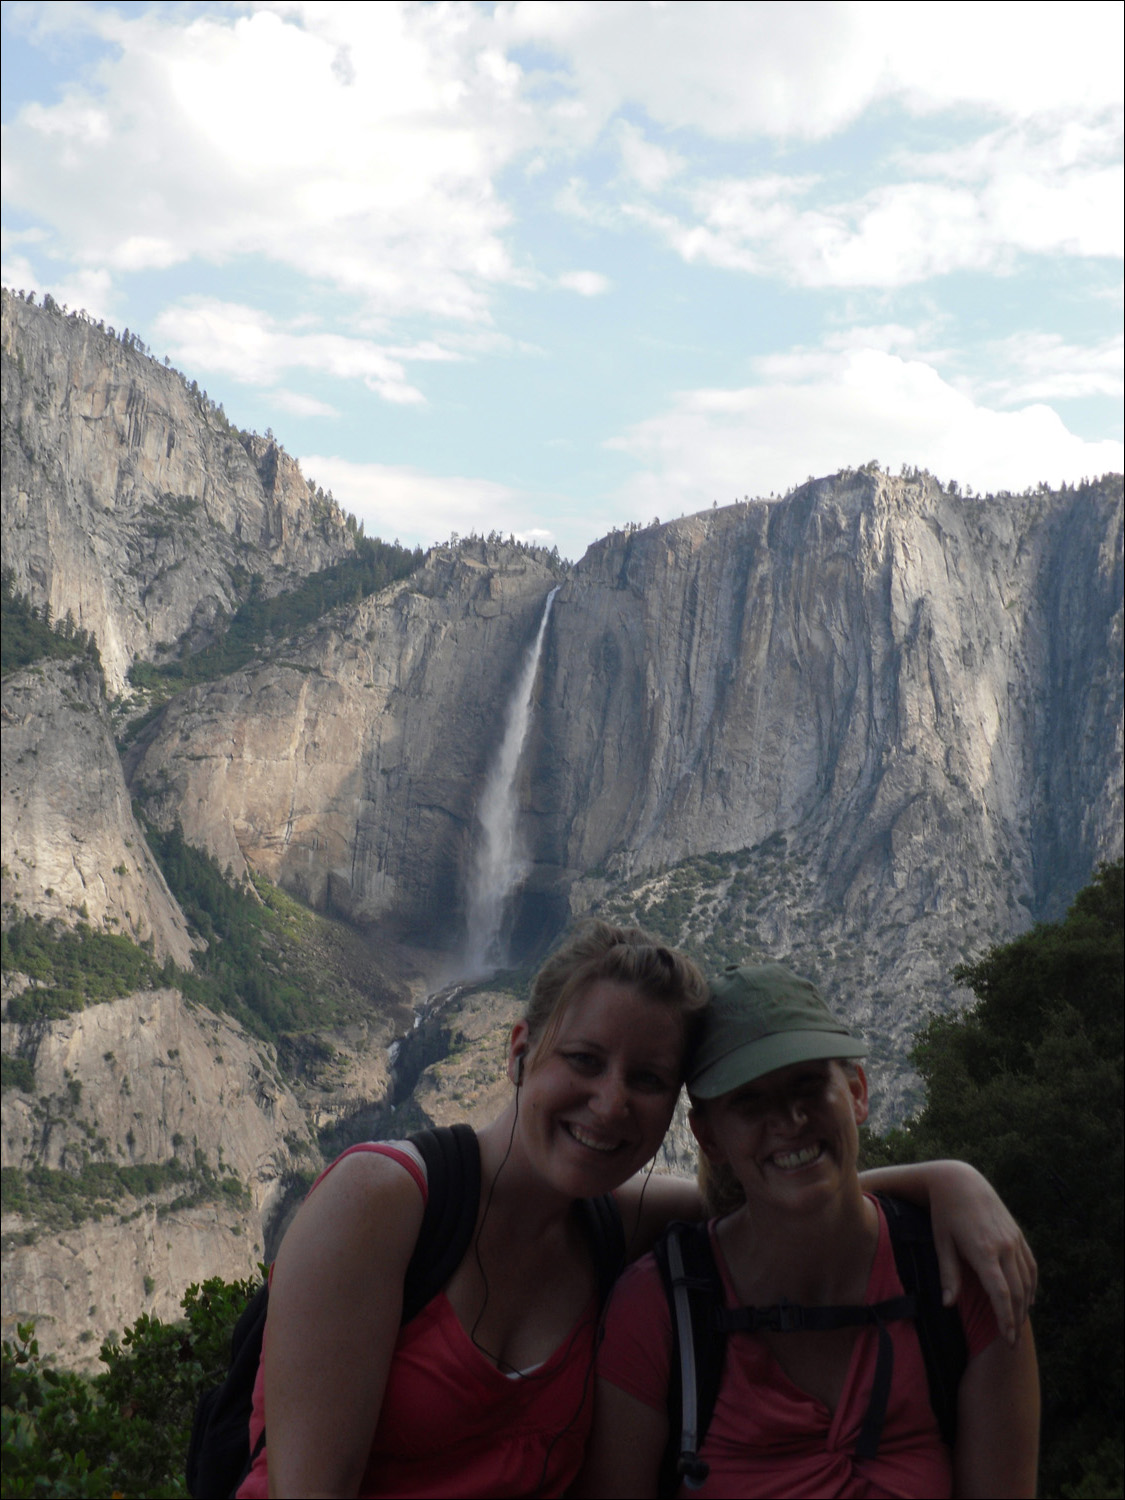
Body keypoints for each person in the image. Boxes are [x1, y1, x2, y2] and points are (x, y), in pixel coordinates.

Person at [238, 926, 1036, 1500]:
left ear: (678, 1119)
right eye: (583, 1061)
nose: (610, 1103)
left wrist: (946, 1178)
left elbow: (785, 1194)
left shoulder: (616, 1224)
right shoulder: (381, 1201)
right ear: (519, 1050)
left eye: (648, 1078)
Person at [579, 963, 1040, 1499]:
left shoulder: (965, 1274)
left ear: (857, 1092)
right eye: (748, 1100)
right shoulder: (660, 1310)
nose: (789, 1118)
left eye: (807, 1083)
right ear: (709, 1137)